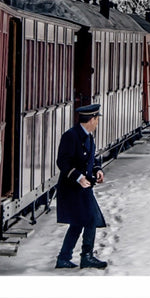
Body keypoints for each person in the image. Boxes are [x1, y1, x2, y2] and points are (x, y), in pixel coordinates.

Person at [54, 103, 108, 269]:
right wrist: (78, 177)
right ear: (91, 120)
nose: (98, 122)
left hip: (82, 187)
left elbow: (92, 158)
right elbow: (62, 161)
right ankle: (87, 256)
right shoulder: (71, 136)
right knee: (90, 218)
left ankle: (64, 258)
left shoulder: (88, 136)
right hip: (71, 187)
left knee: (78, 222)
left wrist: (97, 169)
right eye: (96, 119)